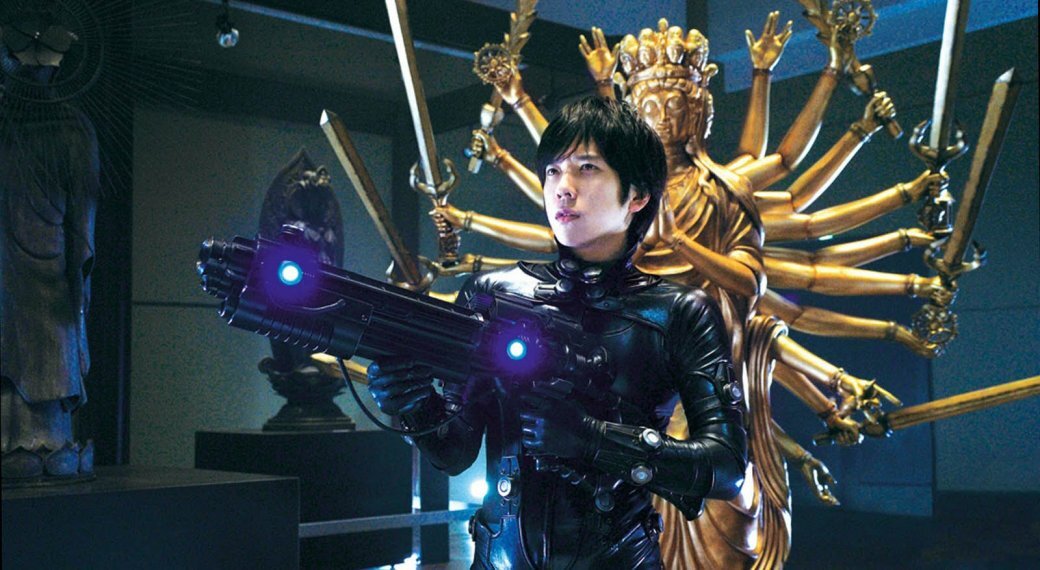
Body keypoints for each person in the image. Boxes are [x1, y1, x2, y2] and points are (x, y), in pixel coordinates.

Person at [367, 96, 746, 569]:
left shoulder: (679, 312)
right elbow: (454, 451)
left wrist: (592, 439)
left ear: (637, 195)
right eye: (552, 171)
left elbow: (727, 468)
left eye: (587, 168)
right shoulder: (490, 295)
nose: (563, 188)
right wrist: (412, 402)